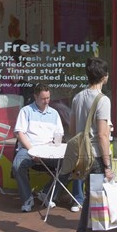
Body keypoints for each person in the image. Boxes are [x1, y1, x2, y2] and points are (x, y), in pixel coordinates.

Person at [69, 57, 114, 232]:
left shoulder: (77, 97)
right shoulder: (103, 100)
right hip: (95, 155)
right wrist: (107, 164)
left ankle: (83, 229)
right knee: (97, 199)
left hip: (81, 153)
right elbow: (102, 135)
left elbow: (72, 129)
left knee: (90, 197)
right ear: (104, 76)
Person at [12, 83, 68, 212]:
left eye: (48, 98)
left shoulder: (54, 113)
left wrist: (55, 146)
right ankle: (27, 198)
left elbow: (59, 134)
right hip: (29, 148)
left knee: (68, 165)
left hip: (48, 149)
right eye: (43, 98)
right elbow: (19, 133)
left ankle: (47, 193)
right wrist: (32, 151)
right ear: (35, 97)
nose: (46, 101)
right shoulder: (26, 111)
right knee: (17, 165)